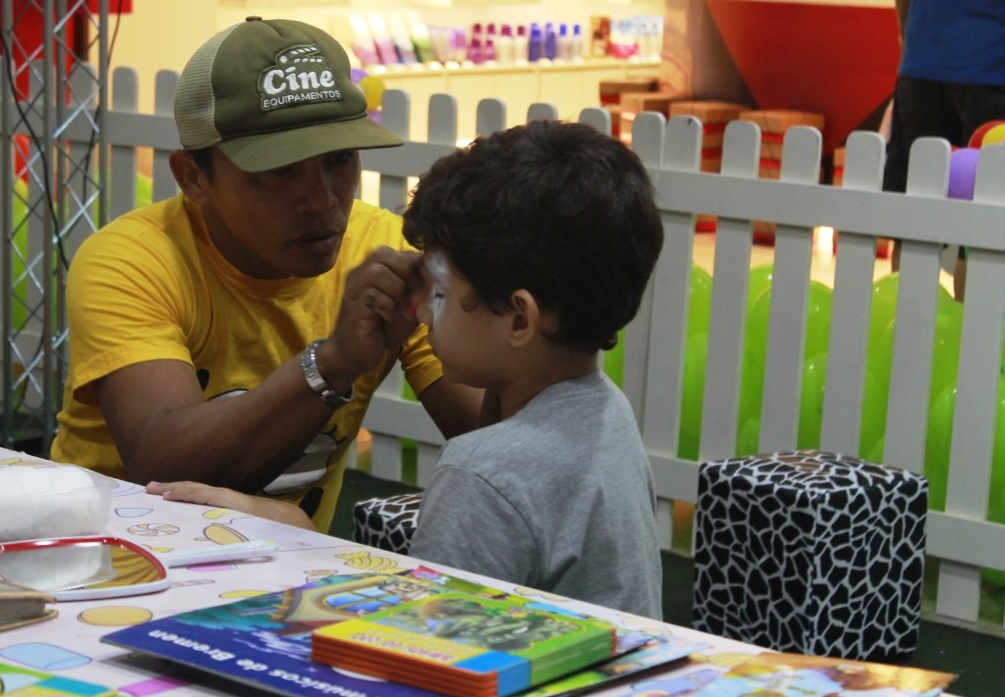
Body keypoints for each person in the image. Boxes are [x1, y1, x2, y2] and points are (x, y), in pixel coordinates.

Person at [154, 119, 666, 619]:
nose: (422, 312)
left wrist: (292, 538)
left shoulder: (482, 472)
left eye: (440, 293)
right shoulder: (606, 412)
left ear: (519, 318)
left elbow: (421, 649)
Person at [52, 17, 482, 533]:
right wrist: (334, 363)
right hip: (111, 563)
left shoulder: (382, 252)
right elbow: (161, 463)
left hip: (283, 582)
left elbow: (501, 440)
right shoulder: (133, 261)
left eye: (340, 159)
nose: (321, 200)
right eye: (278, 171)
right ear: (194, 177)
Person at [881, 0, 1005, 297]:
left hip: (922, 67)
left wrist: (911, 38)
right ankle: (970, 349)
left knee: (914, 224)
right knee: (980, 231)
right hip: (991, 72)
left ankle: (903, 333)